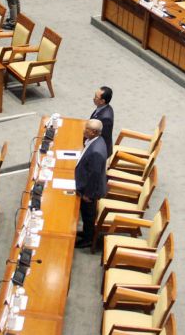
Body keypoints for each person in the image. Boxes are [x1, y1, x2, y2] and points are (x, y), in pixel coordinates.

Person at [75, 119, 108, 248]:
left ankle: (89, 238)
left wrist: (87, 194)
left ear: (94, 132)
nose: (84, 130)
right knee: (86, 214)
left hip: (91, 190)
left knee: (88, 214)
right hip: (89, 183)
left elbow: (94, 176)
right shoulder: (98, 140)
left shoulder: (96, 152)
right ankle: (86, 232)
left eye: (87, 129)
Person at [90, 87, 115, 156]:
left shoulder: (105, 118)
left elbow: (101, 139)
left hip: (99, 152)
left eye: (96, 97)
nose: (93, 98)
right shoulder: (104, 107)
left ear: (102, 101)